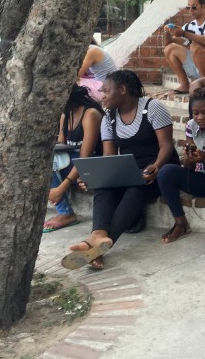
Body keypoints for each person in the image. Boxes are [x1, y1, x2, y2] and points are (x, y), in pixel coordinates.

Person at [62, 70, 177, 270]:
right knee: (104, 188)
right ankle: (97, 237)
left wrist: (156, 166)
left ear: (122, 89)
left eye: (106, 91)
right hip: (129, 170)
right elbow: (109, 157)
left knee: (135, 189)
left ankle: (97, 245)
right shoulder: (109, 118)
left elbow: (166, 145)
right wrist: (98, 177)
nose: (102, 96)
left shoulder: (152, 108)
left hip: (158, 169)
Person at [157, 88, 205, 246]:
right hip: (201, 179)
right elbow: (189, 168)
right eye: (195, 113)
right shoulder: (191, 126)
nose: (200, 118)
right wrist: (189, 158)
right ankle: (180, 223)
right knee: (166, 172)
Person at [44, 85, 103, 233]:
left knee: (54, 164)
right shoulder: (65, 115)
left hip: (92, 162)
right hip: (71, 162)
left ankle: (65, 213)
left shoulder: (90, 114)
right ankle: (64, 210)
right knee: (44, 161)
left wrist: (61, 188)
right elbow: (62, 147)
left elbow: (85, 157)